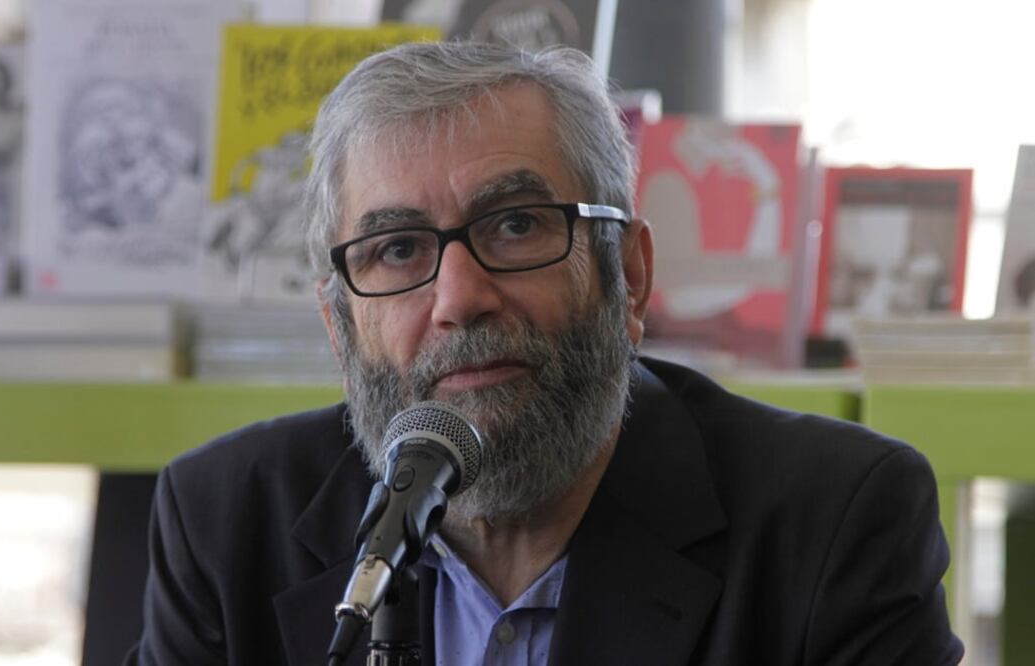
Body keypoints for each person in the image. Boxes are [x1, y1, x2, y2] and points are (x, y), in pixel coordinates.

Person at [127, 41, 963, 665]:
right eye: (397, 251)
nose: (458, 298)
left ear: (627, 275)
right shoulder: (223, 519)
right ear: (338, 322)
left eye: (517, 225)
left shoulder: (834, 519)